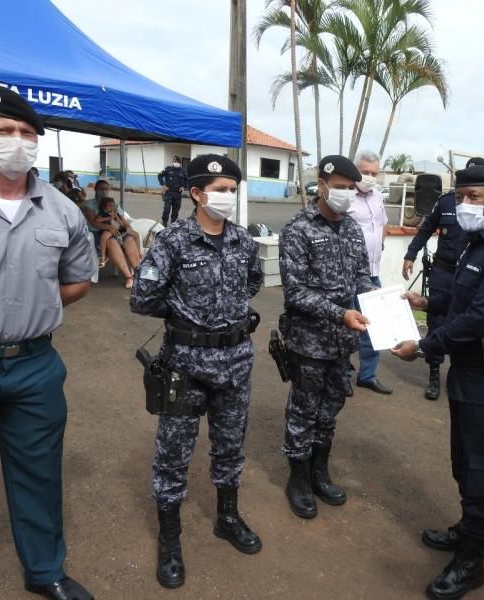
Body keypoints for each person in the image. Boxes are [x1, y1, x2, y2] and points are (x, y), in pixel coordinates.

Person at [0, 86, 93, 600]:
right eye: (3, 131)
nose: (17, 141)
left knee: (39, 475)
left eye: (25, 133)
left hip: (35, 365)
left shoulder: (61, 210)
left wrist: (32, 307)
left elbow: (78, 279)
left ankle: (46, 572)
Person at [391, 165, 484, 600]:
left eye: (473, 196)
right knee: (463, 461)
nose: (464, 204)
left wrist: (422, 346)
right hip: (467, 372)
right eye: (460, 197)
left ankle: (473, 558)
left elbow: (480, 317)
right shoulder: (475, 243)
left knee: (482, 468)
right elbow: (460, 299)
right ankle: (466, 529)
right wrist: (426, 301)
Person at [130, 154, 263, 589]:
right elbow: (143, 298)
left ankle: (227, 516)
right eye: (220, 189)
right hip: (185, 366)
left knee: (230, 447)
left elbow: (253, 283)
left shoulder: (244, 241)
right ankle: (170, 539)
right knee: (173, 455)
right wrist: (188, 317)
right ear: (196, 193)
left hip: (235, 363)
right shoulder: (172, 241)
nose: (227, 196)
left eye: (232, 189)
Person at [278, 155, 375, 520]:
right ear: (321, 185)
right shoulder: (298, 229)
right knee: (303, 411)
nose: (346, 195)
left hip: (342, 342)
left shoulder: (352, 228)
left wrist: (378, 300)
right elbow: (296, 292)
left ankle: (320, 470)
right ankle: (298, 479)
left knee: (331, 408)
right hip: (308, 341)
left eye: (352, 189)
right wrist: (340, 313)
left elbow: (362, 275)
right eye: (340, 188)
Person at [401, 157, 480, 400]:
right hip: (443, 273)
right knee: (437, 322)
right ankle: (434, 373)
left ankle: (461, 374)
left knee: (467, 323)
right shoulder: (445, 202)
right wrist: (410, 255)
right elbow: (425, 229)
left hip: (469, 275)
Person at [347, 150, 392, 394]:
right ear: (356, 171)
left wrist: (380, 245)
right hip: (348, 274)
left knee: (374, 324)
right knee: (346, 324)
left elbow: (382, 224)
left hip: (372, 272)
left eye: (374, 173)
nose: (370, 177)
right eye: (365, 172)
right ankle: (343, 373)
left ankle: (368, 375)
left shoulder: (377, 197)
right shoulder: (346, 197)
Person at [96, 197, 142, 277]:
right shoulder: (103, 213)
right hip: (109, 229)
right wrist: (109, 217)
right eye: (109, 206)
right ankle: (103, 256)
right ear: (104, 207)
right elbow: (97, 220)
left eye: (113, 206)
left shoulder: (117, 214)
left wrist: (116, 216)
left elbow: (122, 224)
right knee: (104, 237)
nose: (112, 207)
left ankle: (139, 251)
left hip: (119, 230)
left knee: (136, 234)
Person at [158, 156, 188, 227]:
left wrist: (183, 187)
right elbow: (159, 176)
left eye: (177, 162)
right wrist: (163, 185)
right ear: (172, 162)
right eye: (174, 161)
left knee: (175, 211)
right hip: (169, 193)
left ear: (180, 163)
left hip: (178, 194)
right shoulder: (168, 169)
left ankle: (173, 225)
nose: (176, 163)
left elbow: (186, 180)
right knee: (166, 210)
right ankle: (164, 224)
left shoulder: (183, 171)